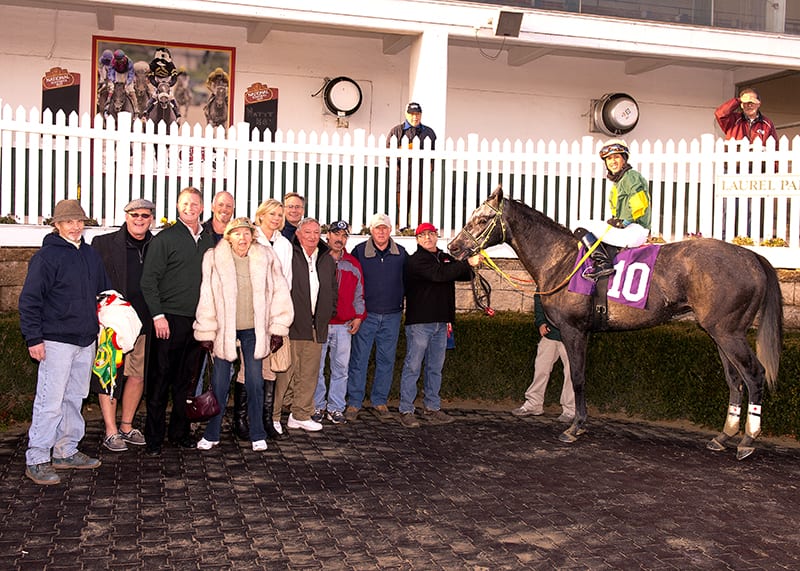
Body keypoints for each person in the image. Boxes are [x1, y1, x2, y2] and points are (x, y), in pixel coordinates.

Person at [19, 199, 111, 485]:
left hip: (86, 339)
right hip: (56, 341)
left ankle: (66, 450)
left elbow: (103, 293)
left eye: (79, 221)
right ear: (57, 225)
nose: (75, 226)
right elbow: (29, 301)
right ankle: (37, 458)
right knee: (50, 401)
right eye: (69, 221)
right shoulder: (46, 258)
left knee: (74, 398)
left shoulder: (91, 255)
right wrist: (34, 338)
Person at [194, 217, 293, 451]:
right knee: (219, 383)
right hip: (224, 329)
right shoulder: (214, 257)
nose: (243, 238)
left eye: (247, 233)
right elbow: (206, 294)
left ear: (253, 236)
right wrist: (206, 331)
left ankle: (257, 432)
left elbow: (280, 291)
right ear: (229, 236)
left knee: (255, 381)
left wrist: (278, 328)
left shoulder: (266, 257)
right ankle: (212, 433)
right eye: (237, 233)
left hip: (254, 330)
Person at [140, 187, 215, 455]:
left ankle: (179, 433)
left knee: (186, 382)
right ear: (177, 206)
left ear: (202, 208)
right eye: (185, 203)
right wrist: (158, 316)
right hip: (168, 320)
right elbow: (148, 281)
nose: (190, 207)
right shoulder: (165, 239)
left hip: (196, 323)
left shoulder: (208, 241)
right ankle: (154, 439)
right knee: (160, 381)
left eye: (195, 203)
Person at [90, 198, 155, 452]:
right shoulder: (103, 244)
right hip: (114, 324)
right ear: (126, 216)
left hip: (144, 323)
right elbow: (93, 281)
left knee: (137, 375)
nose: (139, 220)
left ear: (151, 219)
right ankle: (110, 430)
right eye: (134, 214)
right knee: (110, 376)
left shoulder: (156, 245)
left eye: (145, 216)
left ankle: (127, 426)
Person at [397, 223, 474, 428]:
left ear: (436, 236)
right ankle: (406, 409)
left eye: (431, 234)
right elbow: (440, 275)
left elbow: (466, 275)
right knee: (413, 367)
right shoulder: (415, 261)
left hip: (442, 322)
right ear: (417, 240)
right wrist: (465, 263)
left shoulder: (445, 258)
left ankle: (432, 407)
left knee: (435, 368)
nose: (428, 238)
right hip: (420, 323)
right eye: (423, 235)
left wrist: (469, 261)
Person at [345, 213, 408, 423]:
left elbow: (409, 282)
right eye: (377, 228)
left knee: (386, 360)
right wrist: (355, 312)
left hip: (392, 315)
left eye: (385, 228)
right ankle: (354, 402)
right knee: (359, 360)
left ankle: (379, 401)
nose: (381, 232)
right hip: (366, 316)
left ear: (390, 231)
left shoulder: (401, 254)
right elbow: (352, 283)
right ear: (370, 231)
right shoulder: (360, 252)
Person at [281, 218, 338, 432]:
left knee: (309, 374)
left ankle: (300, 414)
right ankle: (275, 416)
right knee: (286, 373)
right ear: (298, 234)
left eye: (316, 232)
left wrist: (327, 314)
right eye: (307, 232)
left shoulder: (326, 258)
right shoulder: (290, 255)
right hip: (294, 324)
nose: (313, 236)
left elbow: (332, 290)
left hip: (317, 326)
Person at [574, 139, 651, 280]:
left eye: (616, 157)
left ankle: (604, 264)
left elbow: (640, 203)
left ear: (624, 159)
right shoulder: (618, 182)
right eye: (609, 158)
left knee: (580, 226)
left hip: (634, 229)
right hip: (628, 230)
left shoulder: (630, 176)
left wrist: (624, 222)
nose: (612, 161)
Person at [312, 220, 366, 424]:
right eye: (336, 235)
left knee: (341, 369)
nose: (340, 239)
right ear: (328, 236)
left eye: (344, 236)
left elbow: (359, 293)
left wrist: (359, 316)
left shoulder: (353, 264)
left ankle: (335, 407)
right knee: (316, 369)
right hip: (321, 324)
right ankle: (317, 406)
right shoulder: (317, 260)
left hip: (344, 326)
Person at [254, 198, 294, 439]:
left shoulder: (285, 245)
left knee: (270, 369)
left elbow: (286, 283)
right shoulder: (250, 237)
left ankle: (266, 420)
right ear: (261, 216)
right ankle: (246, 419)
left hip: (274, 315)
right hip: (251, 314)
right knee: (249, 370)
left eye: (280, 214)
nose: (277, 218)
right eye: (272, 214)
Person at [510, 294, 575, 423]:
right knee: (540, 369)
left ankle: (570, 409)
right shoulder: (547, 279)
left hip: (570, 336)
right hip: (550, 334)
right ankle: (534, 404)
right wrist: (541, 323)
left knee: (571, 374)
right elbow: (539, 299)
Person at [387, 102, 437, 227]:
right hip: (401, 178)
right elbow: (389, 154)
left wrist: (431, 165)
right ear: (406, 114)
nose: (415, 117)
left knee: (420, 209)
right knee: (402, 209)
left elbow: (435, 154)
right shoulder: (396, 131)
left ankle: (418, 231)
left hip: (421, 178)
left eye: (418, 114)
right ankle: (402, 230)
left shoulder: (429, 133)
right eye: (412, 114)